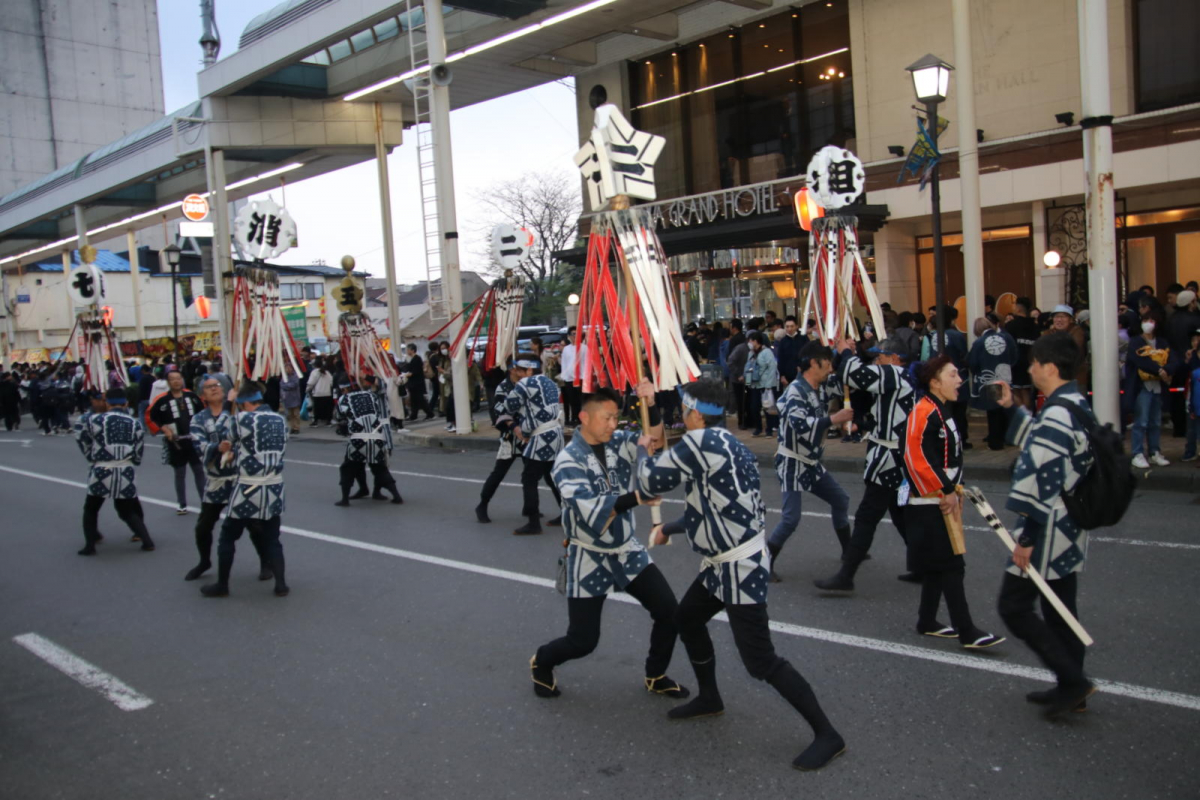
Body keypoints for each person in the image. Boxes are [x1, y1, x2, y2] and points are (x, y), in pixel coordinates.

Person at [637, 380, 846, 772]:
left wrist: (642, 448)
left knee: (761, 661)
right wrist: (670, 528)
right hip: (726, 562)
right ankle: (710, 697)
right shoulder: (728, 443)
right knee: (687, 618)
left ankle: (828, 734)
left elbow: (648, 483)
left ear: (696, 413)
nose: (681, 414)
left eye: (684, 408)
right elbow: (715, 507)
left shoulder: (700, 445)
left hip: (739, 566)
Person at [530, 384, 690, 702]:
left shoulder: (617, 441)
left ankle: (655, 674)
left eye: (616, 417)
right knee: (583, 641)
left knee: (670, 613)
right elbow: (592, 511)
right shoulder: (567, 461)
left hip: (626, 550)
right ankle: (542, 661)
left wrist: (652, 405)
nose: (613, 425)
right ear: (584, 417)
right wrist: (637, 497)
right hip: (589, 554)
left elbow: (652, 440)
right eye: (606, 418)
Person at [993, 333, 1098, 716]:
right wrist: (1010, 407)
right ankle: (1072, 686)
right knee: (1060, 607)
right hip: (1071, 524)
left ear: (1050, 368)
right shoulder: (1074, 402)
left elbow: (1043, 476)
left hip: (1049, 526)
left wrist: (1026, 538)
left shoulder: (1057, 412)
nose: (1030, 367)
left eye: (1035, 362)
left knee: (1014, 606)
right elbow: (1041, 439)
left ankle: (1072, 680)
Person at [902, 355, 1004, 649]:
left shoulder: (939, 408)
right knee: (951, 565)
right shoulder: (923, 411)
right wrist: (944, 489)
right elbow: (916, 456)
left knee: (938, 564)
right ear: (934, 382)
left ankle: (927, 620)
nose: (960, 380)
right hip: (929, 500)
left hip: (942, 495)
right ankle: (966, 629)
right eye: (953, 375)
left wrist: (951, 489)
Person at [814, 337, 917, 592]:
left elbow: (853, 374)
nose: (877, 360)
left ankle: (846, 575)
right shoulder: (898, 378)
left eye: (880, 356)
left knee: (867, 516)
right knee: (902, 515)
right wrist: (864, 423)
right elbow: (887, 413)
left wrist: (847, 352)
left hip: (890, 461)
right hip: (896, 458)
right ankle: (924, 565)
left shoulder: (896, 373)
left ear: (895, 358)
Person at [767, 341, 853, 581]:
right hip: (792, 462)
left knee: (841, 499)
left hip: (811, 462)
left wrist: (848, 352)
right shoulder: (795, 391)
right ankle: (765, 562)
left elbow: (847, 377)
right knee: (791, 518)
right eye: (826, 361)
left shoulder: (820, 387)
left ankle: (849, 551)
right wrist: (835, 418)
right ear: (813, 363)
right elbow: (802, 426)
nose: (830, 366)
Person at [200, 380, 289, 598]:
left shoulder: (241, 419)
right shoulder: (281, 419)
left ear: (244, 403)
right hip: (274, 486)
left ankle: (222, 584)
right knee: (272, 537)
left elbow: (224, 437)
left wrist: (230, 402)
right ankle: (281, 584)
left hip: (248, 487)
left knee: (228, 536)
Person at [186, 377, 272, 582]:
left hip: (241, 478)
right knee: (203, 526)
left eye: (217, 385)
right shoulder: (198, 419)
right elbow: (198, 445)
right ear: (202, 395)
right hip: (217, 479)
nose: (215, 389)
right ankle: (204, 561)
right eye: (209, 387)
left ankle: (265, 562)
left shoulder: (239, 412)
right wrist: (217, 448)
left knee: (254, 524)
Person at [74, 388, 155, 555]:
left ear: (107, 403)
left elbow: (83, 439)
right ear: (126, 403)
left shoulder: (94, 420)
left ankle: (90, 545)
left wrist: (91, 457)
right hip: (125, 468)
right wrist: (135, 460)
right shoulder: (135, 422)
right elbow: (139, 447)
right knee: (126, 509)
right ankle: (147, 541)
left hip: (102, 467)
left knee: (91, 508)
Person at [504, 355, 564, 534]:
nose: (517, 373)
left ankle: (533, 522)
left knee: (529, 479)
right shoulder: (550, 382)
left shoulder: (525, 384)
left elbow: (509, 405)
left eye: (520, 370)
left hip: (540, 437)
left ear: (529, 370)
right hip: (556, 434)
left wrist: (516, 385)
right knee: (552, 477)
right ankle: (567, 513)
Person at [334, 374, 403, 506]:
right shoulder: (371, 395)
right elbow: (383, 410)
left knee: (349, 467)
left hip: (358, 438)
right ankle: (396, 495)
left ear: (344, 389)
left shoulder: (344, 399)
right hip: (377, 435)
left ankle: (345, 499)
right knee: (379, 467)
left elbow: (339, 417)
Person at [1126, 308, 1177, 469]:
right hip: (1142, 387)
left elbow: (1174, 359)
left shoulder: (1162, 342)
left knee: (1155, 422)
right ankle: (1137, 453)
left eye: (1152, 321)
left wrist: (1167, 369)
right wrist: (1159, 370)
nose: (1148, 324)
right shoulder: (1136, 342)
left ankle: (1155, 452)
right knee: (1141, 422)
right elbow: (1140, 360)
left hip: (1158, 387)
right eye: (1145, 320)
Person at [148, 370, 205, 514]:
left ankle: (205, 502)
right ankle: (181, 503)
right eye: (172, 379)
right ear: (168, 382)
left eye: (178, 378)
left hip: (193, 440)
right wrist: (164, 429)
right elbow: (151, 417)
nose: (176, 381)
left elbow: (203, 413)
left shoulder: (192, 396)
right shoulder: (162, 400)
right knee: (180, 473)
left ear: (182, 380)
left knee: (199, 471)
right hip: (176, 442)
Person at [475, 362, 522, 523]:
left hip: (528, 436)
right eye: (520, 368)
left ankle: (531, 507)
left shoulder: (526, 383)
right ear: (511, 370)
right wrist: (514, 425)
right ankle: (483, 504)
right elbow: (500, 411)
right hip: (511, 436)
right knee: (498, 473)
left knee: (536, 473)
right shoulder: (503, 387)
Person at [967, 313, 1018, 450]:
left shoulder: (979, 342)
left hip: (989, 378)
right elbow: (1014, 357)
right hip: (1006, 377)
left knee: (994, 411)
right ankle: (1008, 437)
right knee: (1005, 408)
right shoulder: (1006, 337)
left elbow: (973, 362)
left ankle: (995, 441)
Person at [1005, 297, 1040, 411]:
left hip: (1015, 363)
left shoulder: (1011, 326)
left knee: (1015, 391)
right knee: (1027, 391)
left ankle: (1022, 416)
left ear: (1019, 309)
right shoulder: (1035, 327)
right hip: (1030, 363)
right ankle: (1029, 415)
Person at [744, 331, 779, 437]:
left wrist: (769, 384)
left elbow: (772, 367)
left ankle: (769, 430)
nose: (749, 343)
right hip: (754, 384)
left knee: (767, 407)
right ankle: (758, 428)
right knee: (754, 407)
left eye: (750, 340)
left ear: (755, 341)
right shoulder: (751, 353)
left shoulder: (767, 352)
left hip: (765, 384)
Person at [559, 327, 586, 427]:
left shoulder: (584, 348)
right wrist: (564, 376)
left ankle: (580, 419)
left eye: (576, 334)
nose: (574, 336)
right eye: (572, 334)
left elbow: (586, 363)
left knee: (580, 400)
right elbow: (564, 363)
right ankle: (573, 418)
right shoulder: (566, 349)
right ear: (569, 336)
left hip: (581, 378)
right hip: (569, 379)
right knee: (572, 400)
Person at [401, 343, 434, 421]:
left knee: (420, 399)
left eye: (408, 349)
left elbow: (415, 371)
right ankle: (414, 415)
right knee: (414, 399)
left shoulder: (417, 358)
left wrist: (407, 374)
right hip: (413, 383)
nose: (407, 351)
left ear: (412, 350)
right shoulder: (412, 358)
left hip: (417, 383)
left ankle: (430, 413)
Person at [307, 358, 335, 427]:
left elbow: (311, 383)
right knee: (327, 408)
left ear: (315, 365)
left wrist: (307, 389)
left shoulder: (314, 372)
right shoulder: (327, 372)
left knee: (316, 408)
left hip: (317, 393)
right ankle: (328, 421)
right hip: (327, 392)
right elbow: (331, 382)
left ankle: (315, 422)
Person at [280, 370, 303, 434]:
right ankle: (292, 427)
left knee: (296, 414)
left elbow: (294, 384)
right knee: (290, 414)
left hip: (295, 397)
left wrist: (287, 385)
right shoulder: (284, 377)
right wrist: (287, 386)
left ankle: (297, 427)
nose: (288, 369)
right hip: (287, 398)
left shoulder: (295, 376)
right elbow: (282, 385)